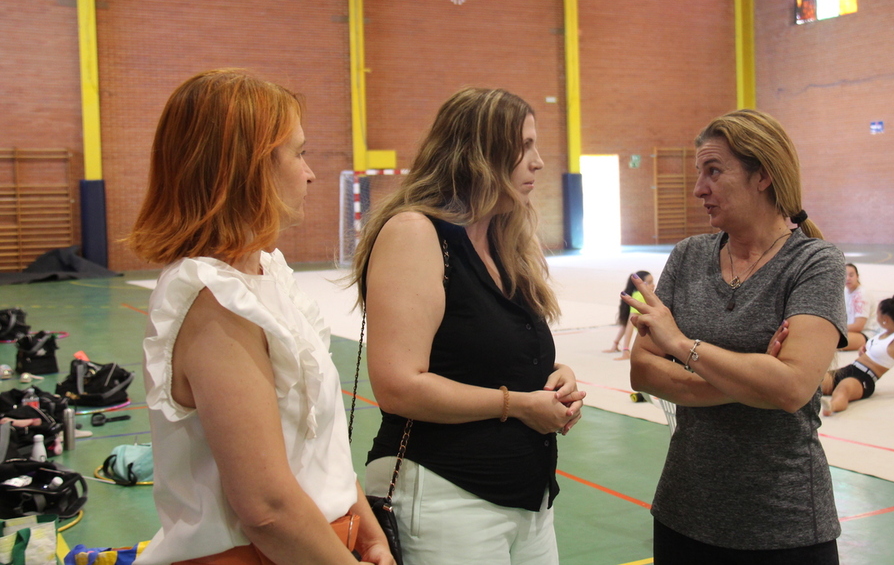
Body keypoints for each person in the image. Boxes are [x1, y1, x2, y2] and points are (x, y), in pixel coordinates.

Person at [128, 70, 393, 565]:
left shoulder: (266, 274)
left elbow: (316, 446)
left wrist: (368, 531)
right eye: (298, 153)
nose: (310, 173)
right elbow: (267, 508)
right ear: (248, 170)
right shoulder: (214, 297)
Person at [351, 87, 585, 565]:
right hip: (444, 494)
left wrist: (553, 378)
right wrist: (520, 404)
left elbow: (479, 350)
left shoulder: (502, 243)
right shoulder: (415, 233)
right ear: (478, 154)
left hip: (527, 498)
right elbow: (398, 385)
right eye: (524, 146)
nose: (538, 162)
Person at [627, 109, 847, 564]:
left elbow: (790, 388)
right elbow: (642, 371)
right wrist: (749, 379)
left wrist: (680, 345)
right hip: (684, 513)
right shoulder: (689, 257)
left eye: (714, 171)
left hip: (784, 525)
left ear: (762, 175)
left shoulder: (814, 263)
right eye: (698, 173)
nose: (698, 189)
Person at [822, 294, 894, 415]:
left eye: (877, 314)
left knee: (843, 389)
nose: (876, 318)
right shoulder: (883, 333)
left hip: (864, 378)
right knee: (817, 380)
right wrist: (864, 350)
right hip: (850, 368)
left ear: (885, 319)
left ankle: (831, 406)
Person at [605, 270, 654, 360]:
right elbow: (630, 324)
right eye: (649, 283)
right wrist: (626, 350)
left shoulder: (635, 294)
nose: (653, 285)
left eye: (653, 282)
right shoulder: (640, 296)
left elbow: (625, 324)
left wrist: (615, 343)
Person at [844, 263, 879, 350]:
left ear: (857, 276)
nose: (848, 278)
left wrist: (836, 329)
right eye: (845, 275)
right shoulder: (845, 292)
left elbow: (859, 326)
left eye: (851, 275)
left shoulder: (862, 294)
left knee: (834, 341)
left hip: (866, 333)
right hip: (850, 331)